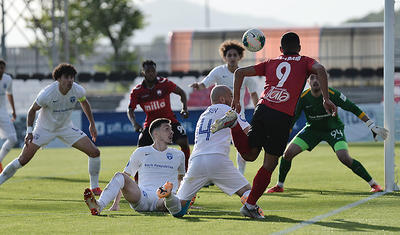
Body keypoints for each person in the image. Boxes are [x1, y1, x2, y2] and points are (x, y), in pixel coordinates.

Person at [211, 32, 337, 219]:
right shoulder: (304, 61)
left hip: (262, 110)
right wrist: (326, 98)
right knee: (269, 163)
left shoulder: (271, 62)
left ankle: (234, 125)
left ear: (280, 50)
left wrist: (236, 100)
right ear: (299, 48)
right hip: (281, 116)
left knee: (249, 154)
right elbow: (321, 69)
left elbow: (239, 72)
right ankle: (250, 205)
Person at [267, 74, 387, 193]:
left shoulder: (333, 94)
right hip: (312, 130)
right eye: (312, 78)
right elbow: (292, 120)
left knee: (344, 157)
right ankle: (279, 185)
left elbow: (352, 108)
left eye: (318, 77)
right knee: (287, 154)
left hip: (333, 129)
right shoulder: (303, 98)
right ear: (308, 81)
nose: (315, 80)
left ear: (324, 80)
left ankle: (374, 184)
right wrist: (282, 138)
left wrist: (371, 125)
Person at [156, 85, 260, 218]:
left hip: (197, 161)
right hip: (217, 159)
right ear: (222, 99)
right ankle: (253, 208)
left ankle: (169, 195)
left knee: (178, 210)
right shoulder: (229, 110)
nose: (233, 99)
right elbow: (248, 132)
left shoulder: (203, 115)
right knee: (247, 192)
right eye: (231, 96)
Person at [0, 63, 102, 195]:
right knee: (23, 160)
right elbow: (32, 111)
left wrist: (92, 124)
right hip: (44, 129)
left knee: (95, 152)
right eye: (66, 77)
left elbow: (84, 102)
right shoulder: (47, 93)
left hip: (66, 128)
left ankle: (94, 187)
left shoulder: (78, 90)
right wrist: (29, 132)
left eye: (72, 77)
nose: (70, 80)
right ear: (58, 79)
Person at [84, 118, 185, 215]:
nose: (172, 132)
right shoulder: (141, 152)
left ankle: (172, 200)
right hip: (142, 196)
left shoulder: (179, 154)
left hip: (163, 199)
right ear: (156, 133)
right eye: (167, 129)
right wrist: (116, 203)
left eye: (171, 129)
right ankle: (99, 205)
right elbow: (125, 177)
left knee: (168, 198)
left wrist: (184, 199)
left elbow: (182, 180)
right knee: (120, 176)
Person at [190, 40, 259, 175]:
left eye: (235, 55)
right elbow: (205, 83)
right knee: (214, 145)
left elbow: (254, 93)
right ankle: (207, 174)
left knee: (243, 144)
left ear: (240, 57)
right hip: (219, 116)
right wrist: (198, 85)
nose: (232, 58)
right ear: (225, 57)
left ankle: (240, 173)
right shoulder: (218, 71)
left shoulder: (245, 74)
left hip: (238, 115)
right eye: (229, 55)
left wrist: (258, 109)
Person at [128, 60, 190, 175]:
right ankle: (137, 180)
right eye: (148, 71)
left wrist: (184, 108)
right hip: (151, 125)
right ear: (143, 73)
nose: (151, 73)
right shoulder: (137, 91)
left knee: (184, 142)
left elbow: (182, 92)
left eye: (153, 71)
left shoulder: (164, 83)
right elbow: (130, 109)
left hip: (170, 121)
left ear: (156, 72)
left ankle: (186, 173)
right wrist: (134, 123)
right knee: (140, 148)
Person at [0, 59, 17, 173]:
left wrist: (13, 110)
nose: (0, 70)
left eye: (2, 68)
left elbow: (9, 94)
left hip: (2, 111)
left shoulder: (8, 79)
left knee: (13, 138)